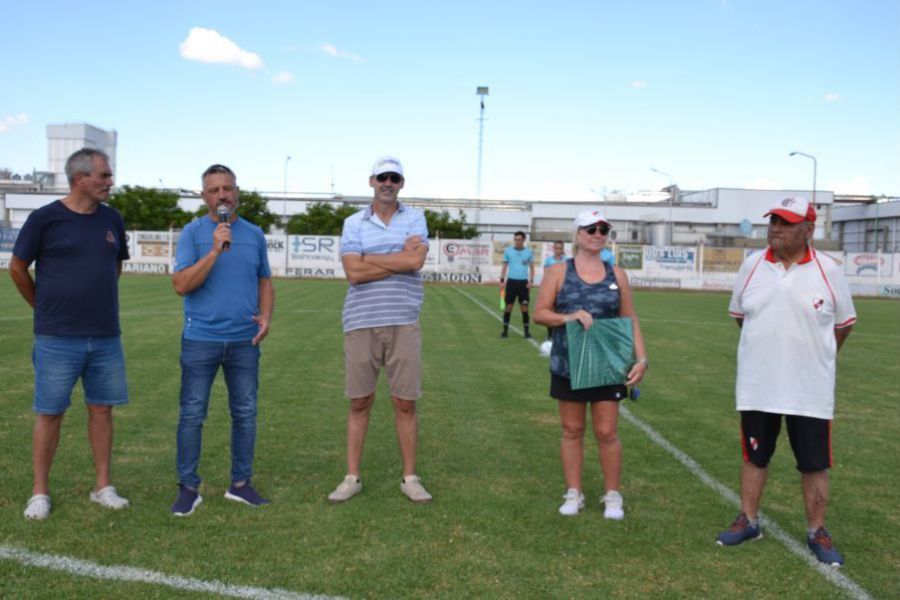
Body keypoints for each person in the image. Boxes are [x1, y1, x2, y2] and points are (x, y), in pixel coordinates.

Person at [716, 197, 856, 567]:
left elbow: (843, 326)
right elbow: (740, 315)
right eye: (774, 220)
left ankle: (817, 531)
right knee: (755, 456)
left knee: (813, 463)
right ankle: (748, 520)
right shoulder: (751, 266)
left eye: (787, 222)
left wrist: (812, 358)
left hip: (809, 389)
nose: (776, 227)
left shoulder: (830, 270)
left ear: (809, 230)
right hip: (758, 385)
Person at [9, 148, 131, 520]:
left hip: (106, 336)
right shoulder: (45, 219)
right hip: (57, 338)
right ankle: (40, 492)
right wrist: (43, 307)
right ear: (80, 179)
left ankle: (102, 486)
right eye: (104, 176)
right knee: (50, 413)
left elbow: (115, 267)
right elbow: (17, 267)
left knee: (102, 410)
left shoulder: (113, 219)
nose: (110, 182)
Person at [170, 164, 275, 516]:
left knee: (245, 413)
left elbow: (265, 280)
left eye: (227, 188)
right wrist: (214, 250)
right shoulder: (192, 233)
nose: (222, 195)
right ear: (204, 197)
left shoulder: (255, 235)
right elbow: (182, 284)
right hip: (201, 339)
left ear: (237, 192)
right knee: (192, 414)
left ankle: (240, 484)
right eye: (214, 190)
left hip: (244, 342)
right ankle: (188, 487)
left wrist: (266, 315)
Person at [328, 156, 432, 504]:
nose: (388, 182)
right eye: (382, 177)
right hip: (360, 320)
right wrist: (395, 260)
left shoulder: (415, 217)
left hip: (403, 318)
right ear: (371, 181)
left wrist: (369, 258)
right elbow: (352, 273)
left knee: (405, 402)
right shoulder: (353, 221)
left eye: (395, 178)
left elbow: (415, 262)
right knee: (360, 400)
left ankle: (410, 477)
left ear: (402, 183)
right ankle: (352, 476)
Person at [534, 209, 648, 517]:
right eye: (591, 228)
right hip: (568, 364)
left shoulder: (617, 275)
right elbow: (540, 312)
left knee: (607, 431)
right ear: (578, 234)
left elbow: (628, 317)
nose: (597, 234)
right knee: (572, 429)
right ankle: (574, 493)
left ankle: (612, 495)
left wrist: (642, 358)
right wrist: (569, 317)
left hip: (607, 364)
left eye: (603, 229)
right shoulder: (558, 272)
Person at [499, 231, 535, 338]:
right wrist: (502, 281)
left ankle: (527, 332)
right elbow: (504, 267)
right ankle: (505, 332)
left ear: (524, 240)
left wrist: (531, 281)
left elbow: (532, 268)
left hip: (523, 283)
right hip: (511, 282)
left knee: (524, 307)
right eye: (516, 239)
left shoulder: (529, 252)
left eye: (519, 239)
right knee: (508, 307)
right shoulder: (508, 251)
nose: (517, 241)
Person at [542, 241, 567, 342]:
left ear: (562, 249)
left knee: (562, 311)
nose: (558, 250)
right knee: (551, 312)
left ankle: (562, 333)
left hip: (563, 290)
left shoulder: (566, 261)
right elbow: (546, 275)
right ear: (553, 249)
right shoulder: (548, 261)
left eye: (560, 248)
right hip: (552, 289)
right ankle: (550, 335)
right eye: (556, 248)